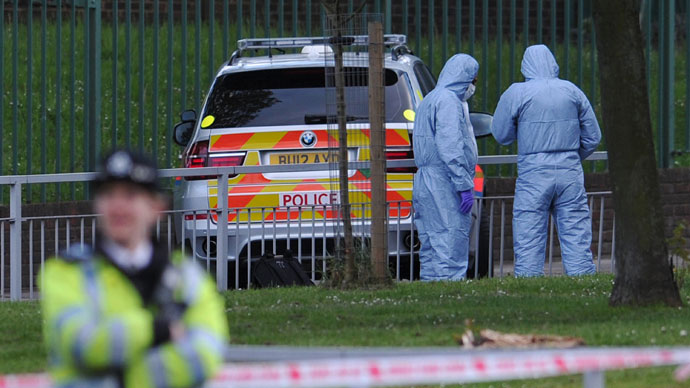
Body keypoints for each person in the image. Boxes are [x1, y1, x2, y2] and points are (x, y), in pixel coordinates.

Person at [40, 149, 229, 388]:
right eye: (108, 195)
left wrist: (119, 369)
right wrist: (158, 330)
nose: (117, 206)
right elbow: (83, 346)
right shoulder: (67, 271)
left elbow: (204, 358)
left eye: (130, 195)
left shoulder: (187, 276)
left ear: (156, 208)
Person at [491, 44, 601, 277]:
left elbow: (501, 135)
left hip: (534, 172)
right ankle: (583, 283)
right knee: (575, 230)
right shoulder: (572, 90)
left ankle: (529, 286)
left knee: (529, 232)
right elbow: (593, 137)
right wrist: (570, 156)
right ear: (553, 62)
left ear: (525, 65)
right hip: (570, 171)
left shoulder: (517, 92)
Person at [413, 53, 479, 281]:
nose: (473, 86)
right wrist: (463, 184)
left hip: (425, 180)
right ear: (464, 77)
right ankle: (449, 295)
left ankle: (431, 292)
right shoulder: (449, 101)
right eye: (474, 80)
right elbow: (450, 146)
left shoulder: (429, 99)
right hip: (445, 182)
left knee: (431, 243)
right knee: (450, 241)